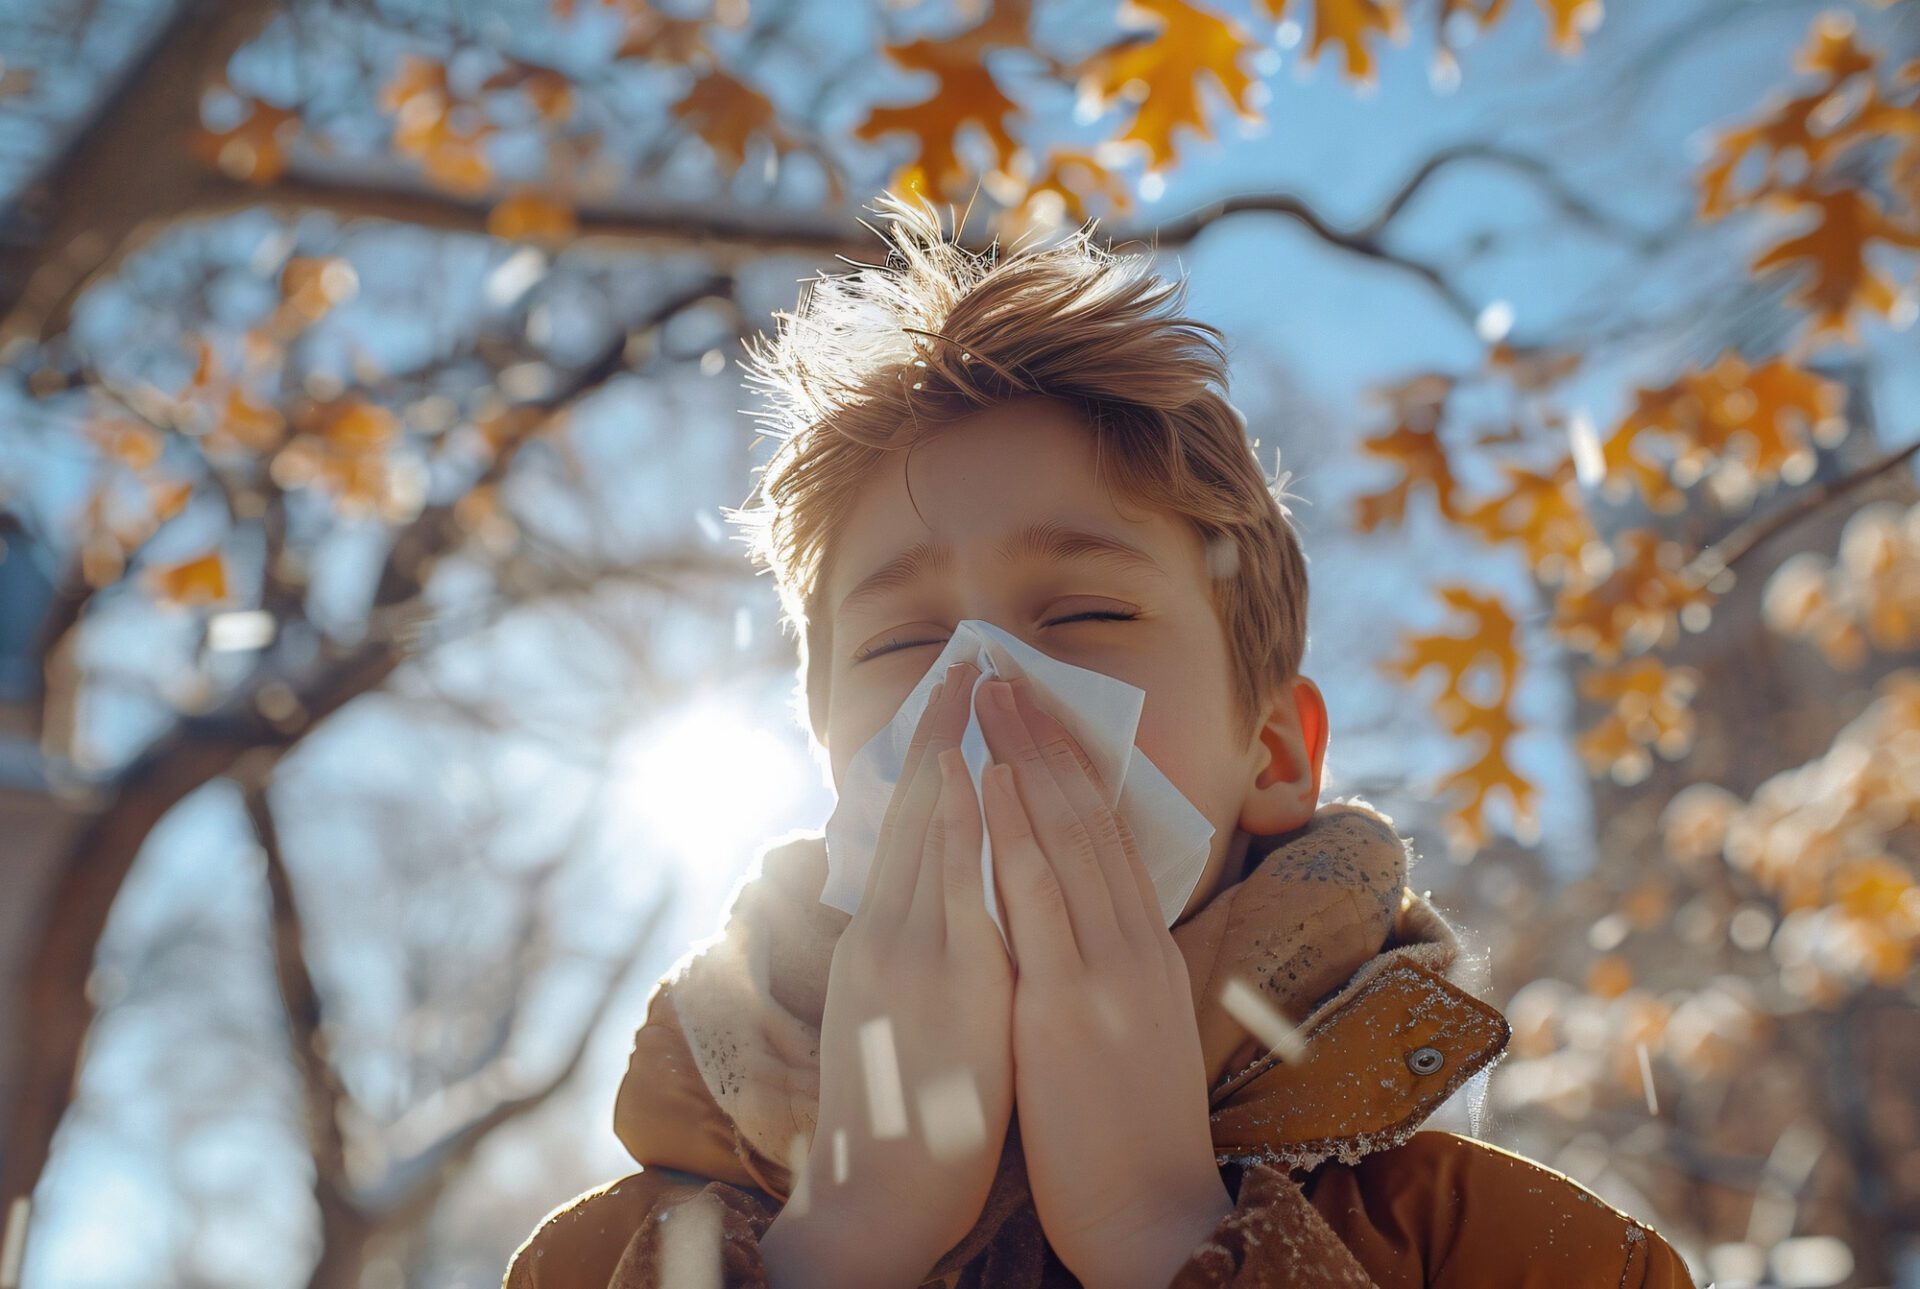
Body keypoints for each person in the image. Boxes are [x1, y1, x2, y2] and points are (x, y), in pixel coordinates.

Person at [503, 191, 1698, 1288]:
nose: (979, 697)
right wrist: (843, 1244)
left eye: (1084, 615)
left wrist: (1165, 1230)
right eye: (901, 645)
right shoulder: (598, 1262)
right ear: (822, 754)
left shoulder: (1525, 1255)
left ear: (1275, 748)